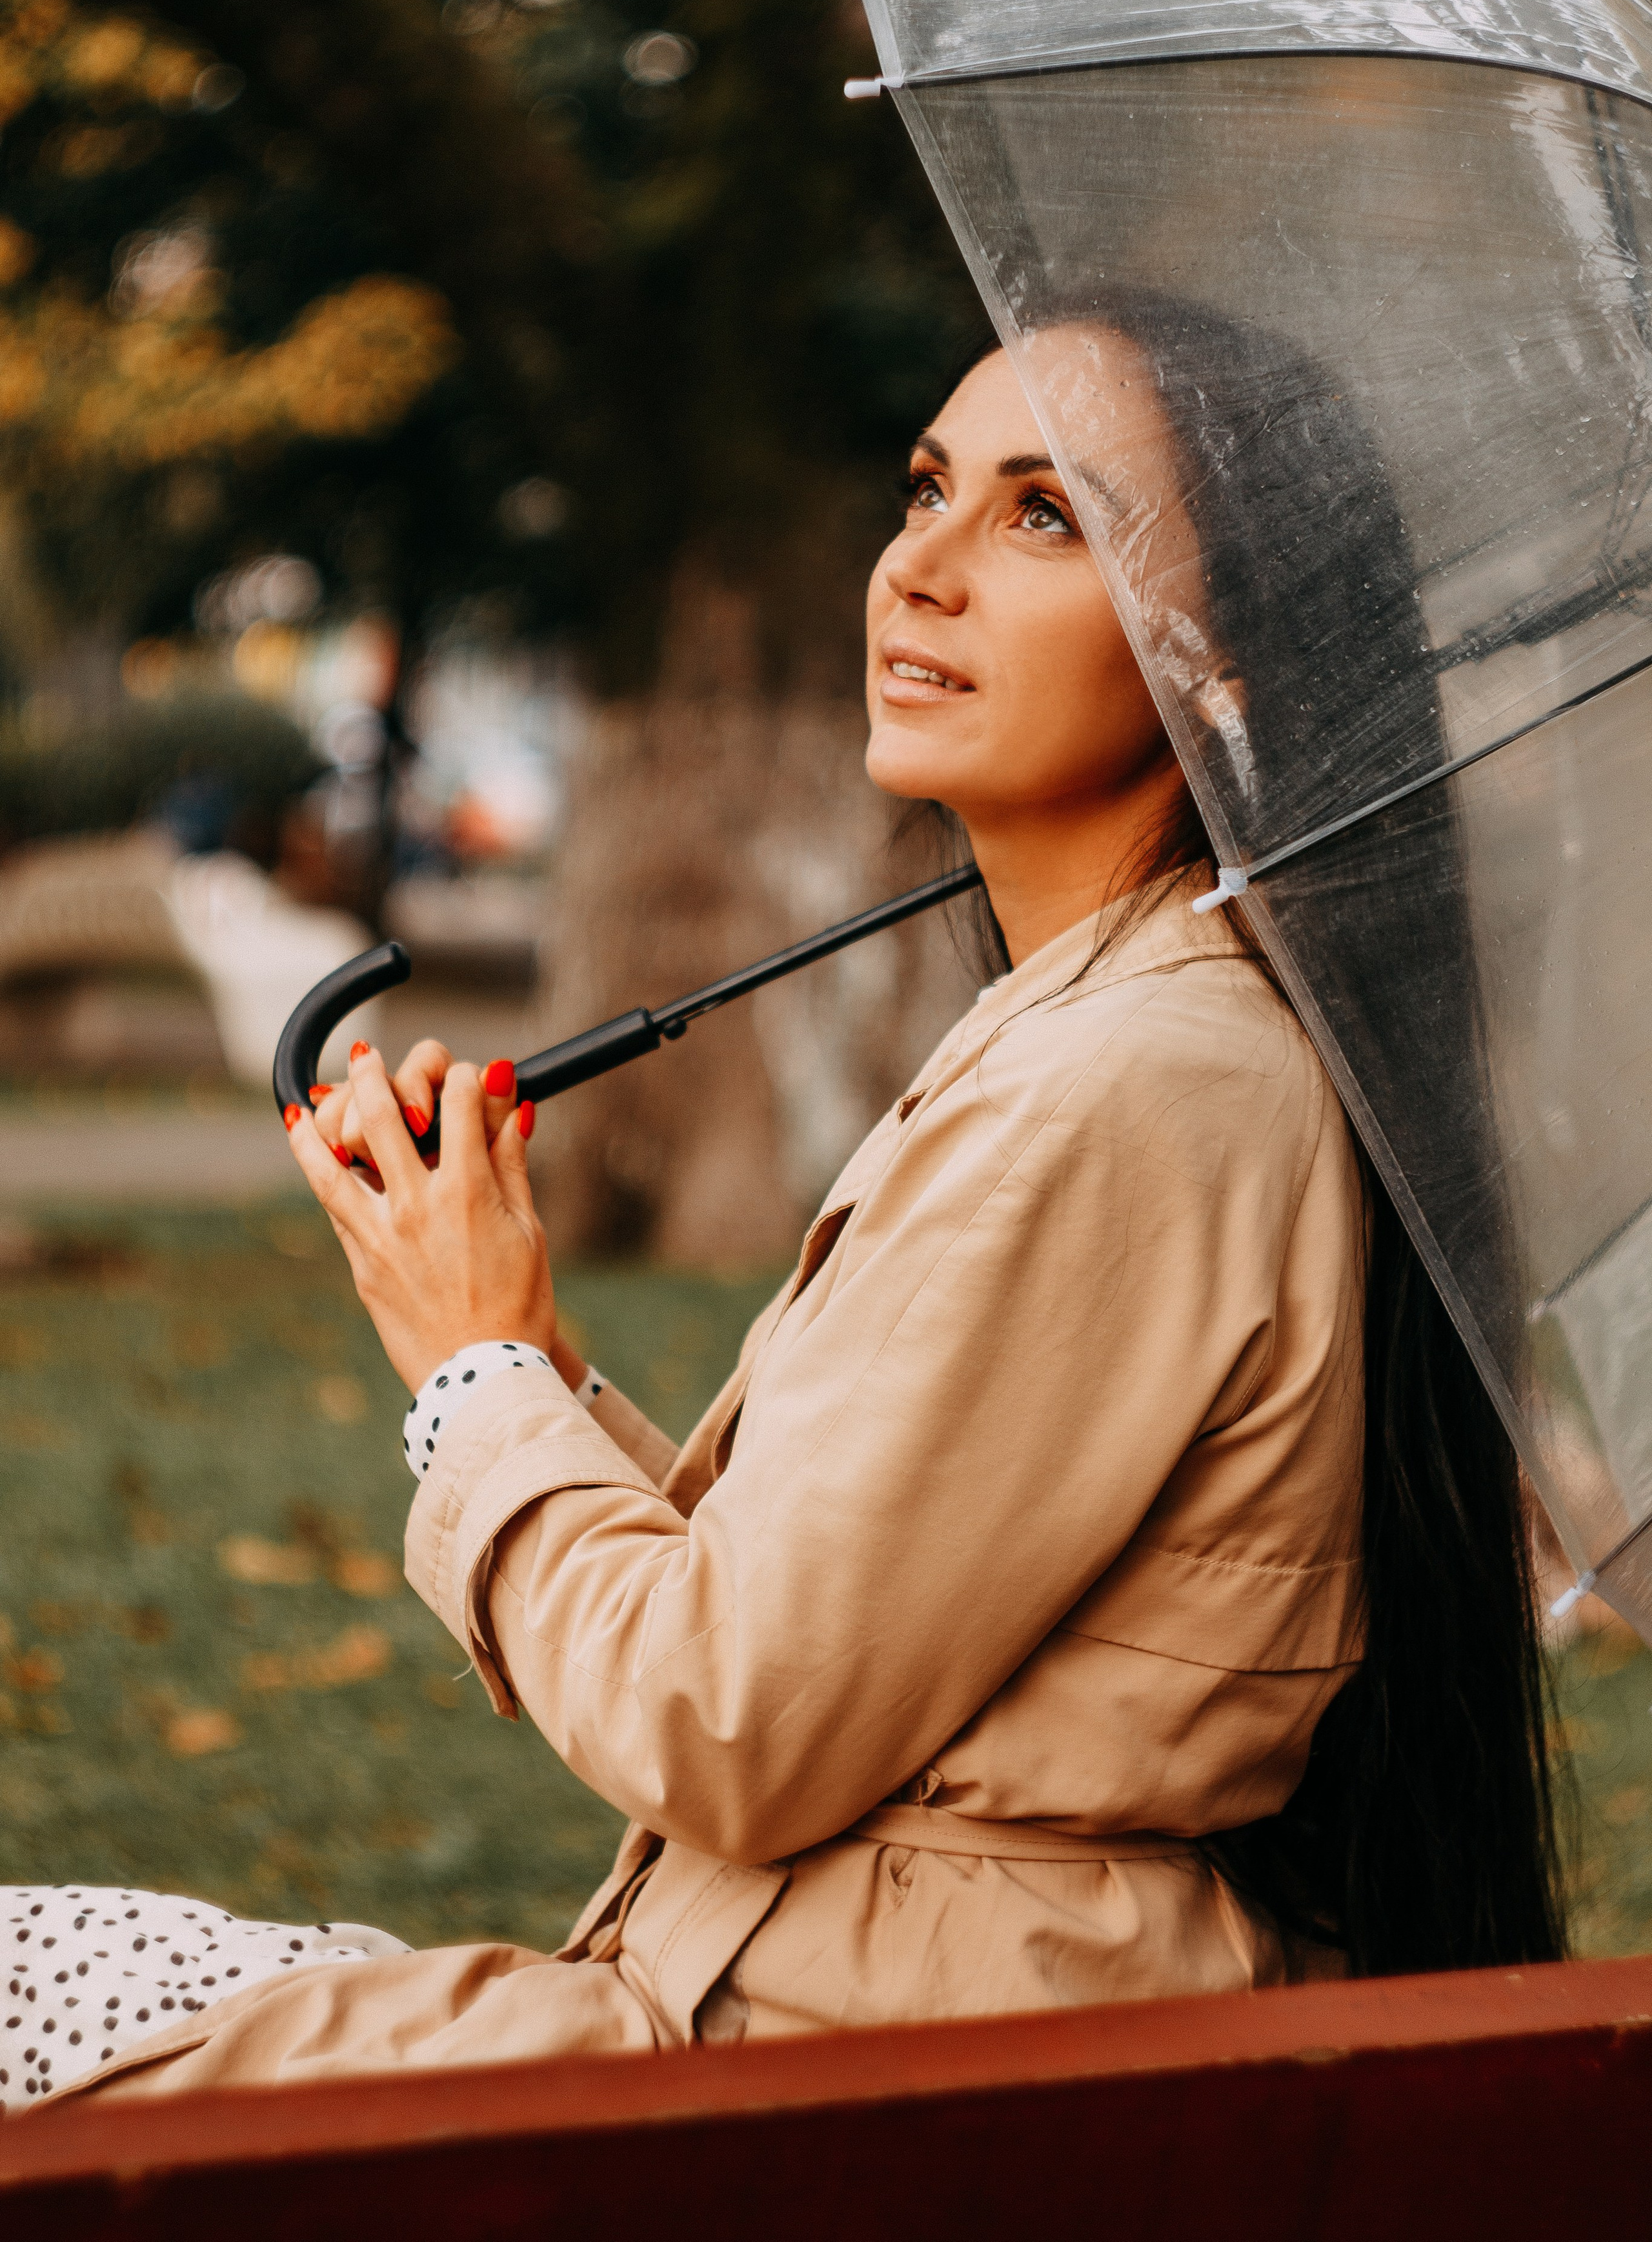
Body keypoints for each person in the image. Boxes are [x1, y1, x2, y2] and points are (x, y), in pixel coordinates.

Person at [8, 310, 1563, 2112]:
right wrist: (528, 1352)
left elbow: (726, 1727)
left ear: (1224, 664)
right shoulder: (1121, 1030)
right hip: (879, 2048)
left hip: (815, 2098)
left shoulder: (1140, 1079)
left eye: (1045, 517)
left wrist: (475, 1369)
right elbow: (848, 1613)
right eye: (928, 491)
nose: (923, 566)